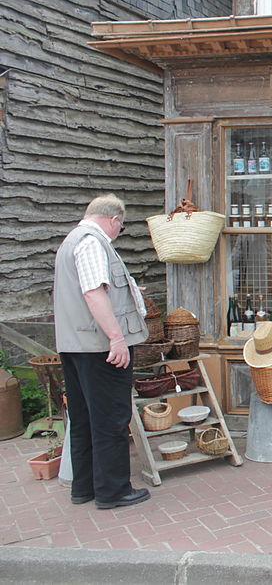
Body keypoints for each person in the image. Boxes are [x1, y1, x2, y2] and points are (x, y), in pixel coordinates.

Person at [53, 194, 150, 509]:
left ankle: (84, 487)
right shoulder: (93, 242)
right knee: (110, 417)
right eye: (120, 227)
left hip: (75, 345)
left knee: (83, 418)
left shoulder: (71, 240)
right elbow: (94, 293)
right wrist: (116, 338)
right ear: (114, 220)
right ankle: (113, 490)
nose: (118, 232)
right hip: (100, 349)